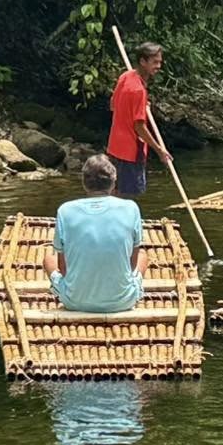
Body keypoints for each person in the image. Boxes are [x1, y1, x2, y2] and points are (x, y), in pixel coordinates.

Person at [50, 157, 146, 313]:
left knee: (49, 260)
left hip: (75, 301)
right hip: (122, 301)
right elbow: (132, 265)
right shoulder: (131, 208)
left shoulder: (65, 210)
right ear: (114, 182)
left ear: (84, 183)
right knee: (143, 256)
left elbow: (63, 268)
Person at [106, 41, 166, 199]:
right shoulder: (138, 90)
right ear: (142, 61)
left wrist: (138, 105)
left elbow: (113, 105)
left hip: (114, 147)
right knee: (126, 197)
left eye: (160, 62)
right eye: (155, 62)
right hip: (130, 151)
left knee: (113, 193)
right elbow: (139, 127)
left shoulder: (126, 76)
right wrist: (160, 150)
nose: (159, 66)